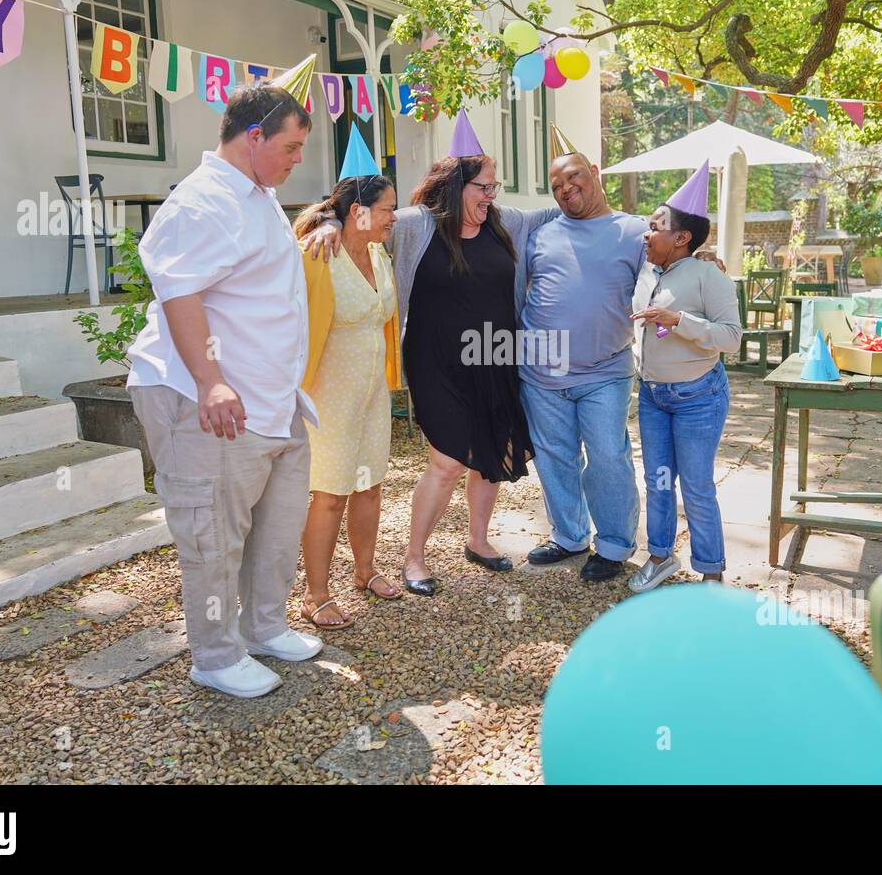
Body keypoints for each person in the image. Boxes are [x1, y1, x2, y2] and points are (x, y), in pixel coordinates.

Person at [304, 111, 558, 595]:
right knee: (447, 460)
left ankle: (478, 541)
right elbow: (359, 216)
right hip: (436, 359)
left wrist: (653, 230)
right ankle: (414, 558)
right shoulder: (417, 225)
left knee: (493, 451)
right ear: (457, 186)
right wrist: (326, 221)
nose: (491, 196)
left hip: (494, 353)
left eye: (495, 187)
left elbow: (563, 212)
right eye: (484, 186)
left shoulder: (505, 222)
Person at [127, 83, 323, 699]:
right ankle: (214, 656)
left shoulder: (258, 195)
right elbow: (178, 292)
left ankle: (263, 627)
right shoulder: (203, 201)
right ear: (254, 136)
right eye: (290, 147)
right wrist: (210, 382)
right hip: (208, 402)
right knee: (212, 536)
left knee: (277, 526)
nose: (297, 160)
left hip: (270, 401)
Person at [517, 129, 648, 582]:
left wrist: (704, 262)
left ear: (594, 173)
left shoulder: (634, 230)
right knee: (554, 456)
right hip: (541, 372)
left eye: (572, 177)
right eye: (556, 186)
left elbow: (669, 271)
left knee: (608, 456)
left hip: (605, 370)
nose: (565, 189)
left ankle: (613, 544)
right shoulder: (540, 234)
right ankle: (569, 536)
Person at [292, 129, 402, 630]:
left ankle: (364, 570)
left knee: (369, 486)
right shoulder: (318, 254)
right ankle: (315, 592)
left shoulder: (380, 255)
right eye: (386, 209)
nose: (393, 217)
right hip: (329, 394)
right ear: (358, 210)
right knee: (329, 494)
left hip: (371, 392)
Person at [628, 160, 743, 591]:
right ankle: (659, 557)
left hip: (699, 397)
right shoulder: (646, 273)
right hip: (654, 396)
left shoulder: (708, 276)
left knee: (696, 486)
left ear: (681, 237)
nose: (646, 232)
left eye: (656, 226)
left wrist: (679, 321)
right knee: (657, 482)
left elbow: (731, 338)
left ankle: (711, 573)